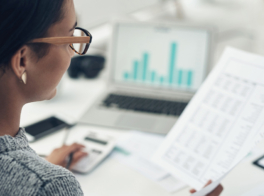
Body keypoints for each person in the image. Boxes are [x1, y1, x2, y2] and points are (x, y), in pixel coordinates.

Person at [0, 0, 223, 195]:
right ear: (22, 61)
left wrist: (36, 169)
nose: (72, 53)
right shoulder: (50, 185)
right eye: (68, 39)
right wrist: (40, 178)